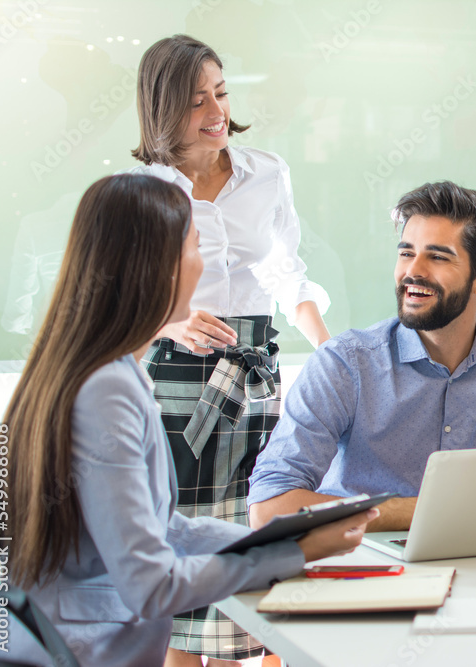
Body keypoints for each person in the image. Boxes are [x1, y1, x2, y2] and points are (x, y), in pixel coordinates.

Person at [0, 174, 377, 667]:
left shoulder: (106, 369)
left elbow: (165, 529)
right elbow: (151, 585)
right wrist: (290, 556)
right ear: (160, 268)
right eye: (196, 246)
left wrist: (288, 538)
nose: (206, 263)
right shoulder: (105, 391)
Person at [128, 35, 332, 665]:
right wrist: (173, 322)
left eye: (221, 92)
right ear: (163, 108)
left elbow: (286, 273)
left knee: (259, 540)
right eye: (197, 100)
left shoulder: (266, 171)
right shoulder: (141, 188)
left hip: (257, 377)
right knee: (188, 557)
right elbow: (118, 296)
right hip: (178, 383)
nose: (217, 111)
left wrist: (327, 352)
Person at [248, 181, 476, 531]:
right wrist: (431, 511)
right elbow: (270, 507)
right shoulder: (344, 363)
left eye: (437, 257)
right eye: (406, 253)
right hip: (360, 567)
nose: (412, 271)